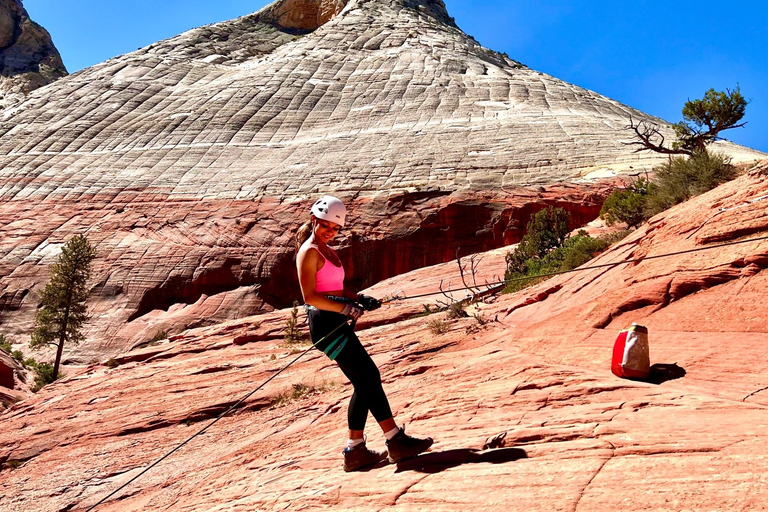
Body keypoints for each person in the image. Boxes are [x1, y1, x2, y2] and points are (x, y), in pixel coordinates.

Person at [296, 195, 433, 472]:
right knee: (369, 376)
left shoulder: (327, 250)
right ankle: (395, 440)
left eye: (335, 228)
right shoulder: (309, 251)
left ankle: (355, 450)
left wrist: (357, 297)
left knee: (364, 381)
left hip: (335, 320)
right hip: (325, 324)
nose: (330, 232)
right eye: (325, 226)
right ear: (314, 220)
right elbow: (310, 296)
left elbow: (334, 287)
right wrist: (346, 309)